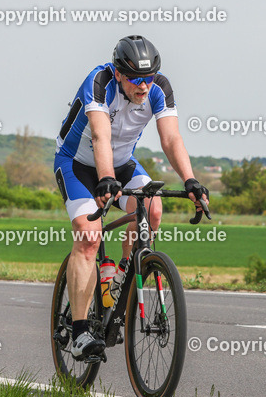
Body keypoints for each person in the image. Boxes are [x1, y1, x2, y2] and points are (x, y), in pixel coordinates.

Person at [53, 35, 208, 360]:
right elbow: (100, 136)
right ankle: (79, 331)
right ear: (119, 73)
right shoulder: (99, 82)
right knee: (89, 237)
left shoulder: (158, 88)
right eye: (136, 79)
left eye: (149, 77)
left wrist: (191, 181)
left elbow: (171, 138)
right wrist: (105, 179)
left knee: (152, 209)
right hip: (77, 164)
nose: (144, 85)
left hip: (122, 163)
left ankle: (122, 276)